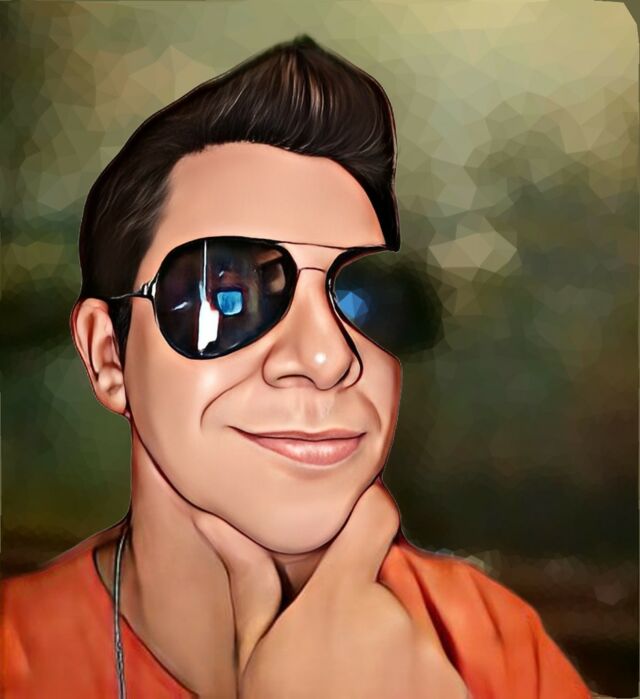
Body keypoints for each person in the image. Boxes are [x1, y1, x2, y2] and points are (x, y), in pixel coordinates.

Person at [1, 36, 591, 699]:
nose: (327, 356)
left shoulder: (494, 644)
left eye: (362, 295)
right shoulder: (15, 658)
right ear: (109, 355)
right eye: (226, 297)